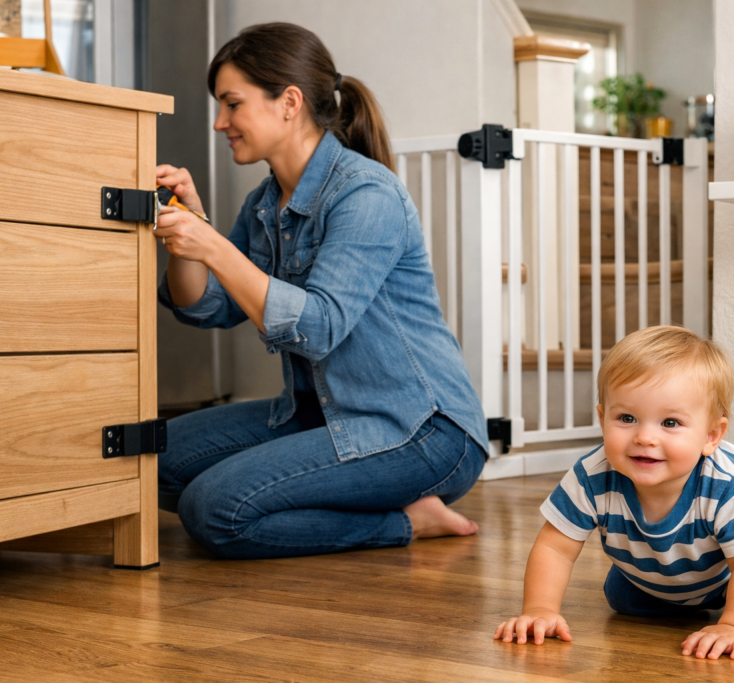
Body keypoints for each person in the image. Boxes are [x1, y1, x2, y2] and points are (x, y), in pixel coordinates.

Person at [153, 22, 487, 559]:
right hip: (316, 414)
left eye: (232, 104)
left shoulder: (366, 193)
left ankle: (406, 523)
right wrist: (186, 232)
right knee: (154, 463)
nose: (220, 123)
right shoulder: (265, 202)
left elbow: (317, 329)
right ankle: (349, 497)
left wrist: (213, 245)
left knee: (213, 510)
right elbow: (206, 309)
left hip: (419, 431)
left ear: (288, 102)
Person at [494, 326, 734, 659]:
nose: (645, 437)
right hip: (690, 551)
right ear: (602, 417)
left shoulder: (727, 485)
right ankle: (697, 586)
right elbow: (555, 548)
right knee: (626, 600)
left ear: (711, 436)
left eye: (670, 422)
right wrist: (539, 609)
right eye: (626, 418)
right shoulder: (591, 476)